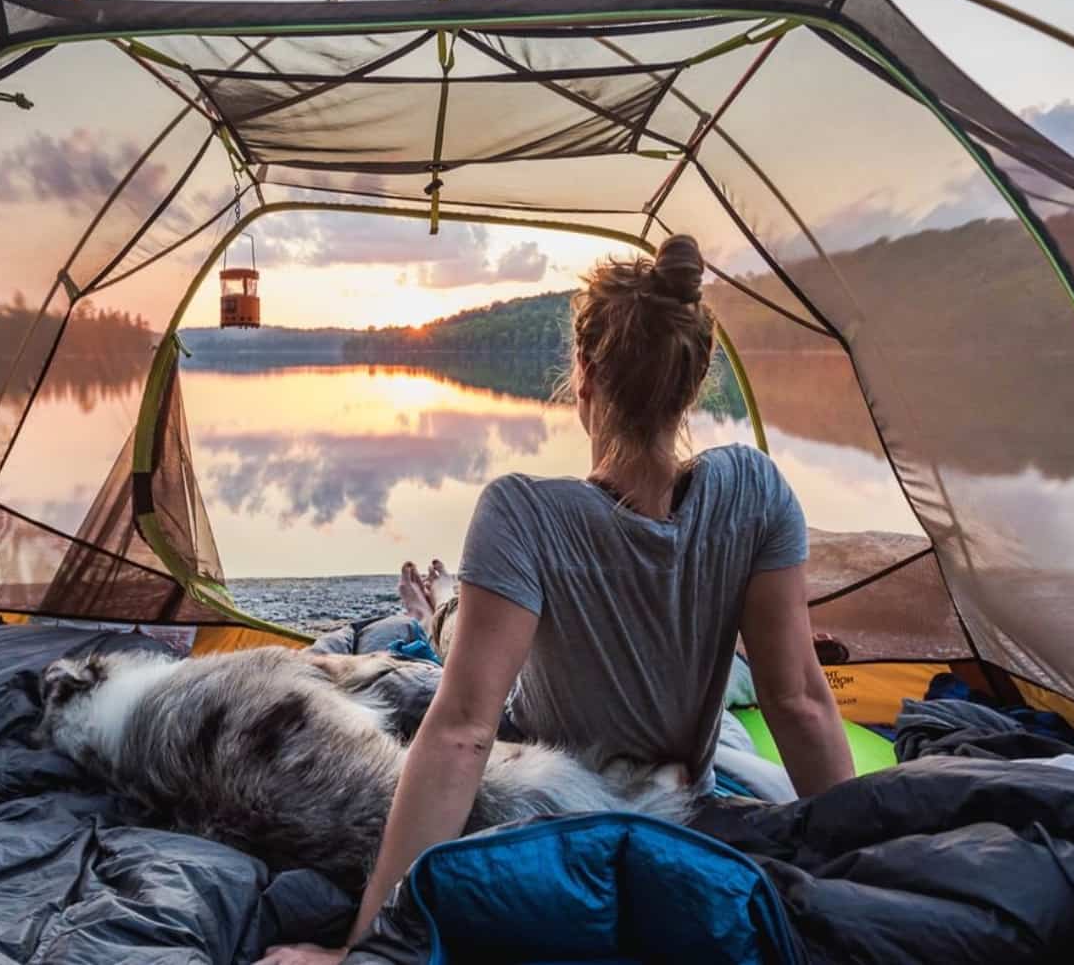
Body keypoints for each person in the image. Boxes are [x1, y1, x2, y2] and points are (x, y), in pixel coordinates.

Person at [255, 235, 854, 965]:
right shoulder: (757, 491)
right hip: (681, 800)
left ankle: (434, 612)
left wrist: (362, 948)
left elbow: (463, 734)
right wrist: (853, 866)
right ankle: (437, 612)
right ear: (696, 381)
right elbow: (798, 700)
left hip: (548, 813)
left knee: (419, 687)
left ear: (585, 377)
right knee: (450, 652)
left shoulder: (522, 513)